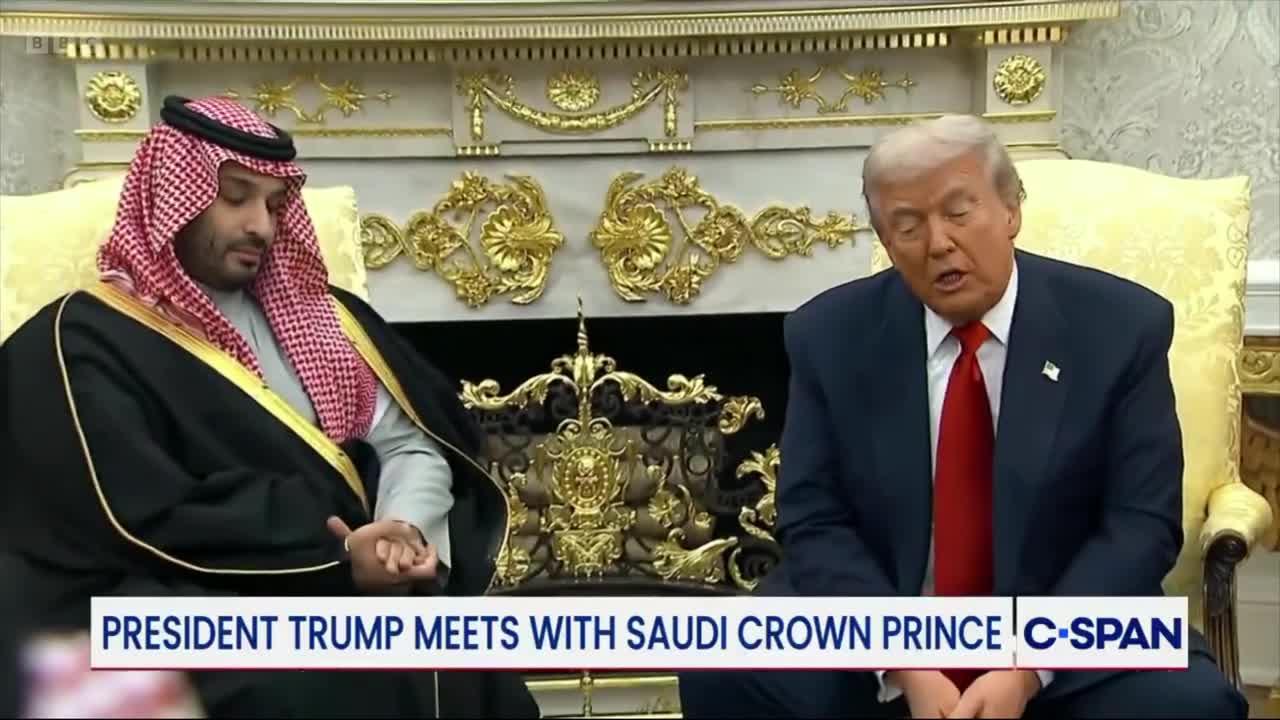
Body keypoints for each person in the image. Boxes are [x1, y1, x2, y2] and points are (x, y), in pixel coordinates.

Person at [676, 115, 1248, 719]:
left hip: (1066, 633)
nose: (938, 243)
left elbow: (1139, 525)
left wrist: (1028, 665)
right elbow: (815, 520)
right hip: (882, 630)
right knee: (722, 668)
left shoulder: (1119, 327)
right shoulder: (828, 336)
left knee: (1193, 705)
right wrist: (902, 660)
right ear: (886, 242)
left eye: (958, 212)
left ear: (1011, 209)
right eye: (908, 226)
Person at [1, 95, 538, 719]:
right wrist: (335, 562)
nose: (261, 225)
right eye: (236, 197)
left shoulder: (325, 318)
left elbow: (407, 442)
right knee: (329, 685)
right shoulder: (78, 342)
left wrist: (400, 532)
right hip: (171, 597)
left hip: (338, 586)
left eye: (276, 205)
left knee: (464, 663)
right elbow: (142, 516)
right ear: (171, 196)